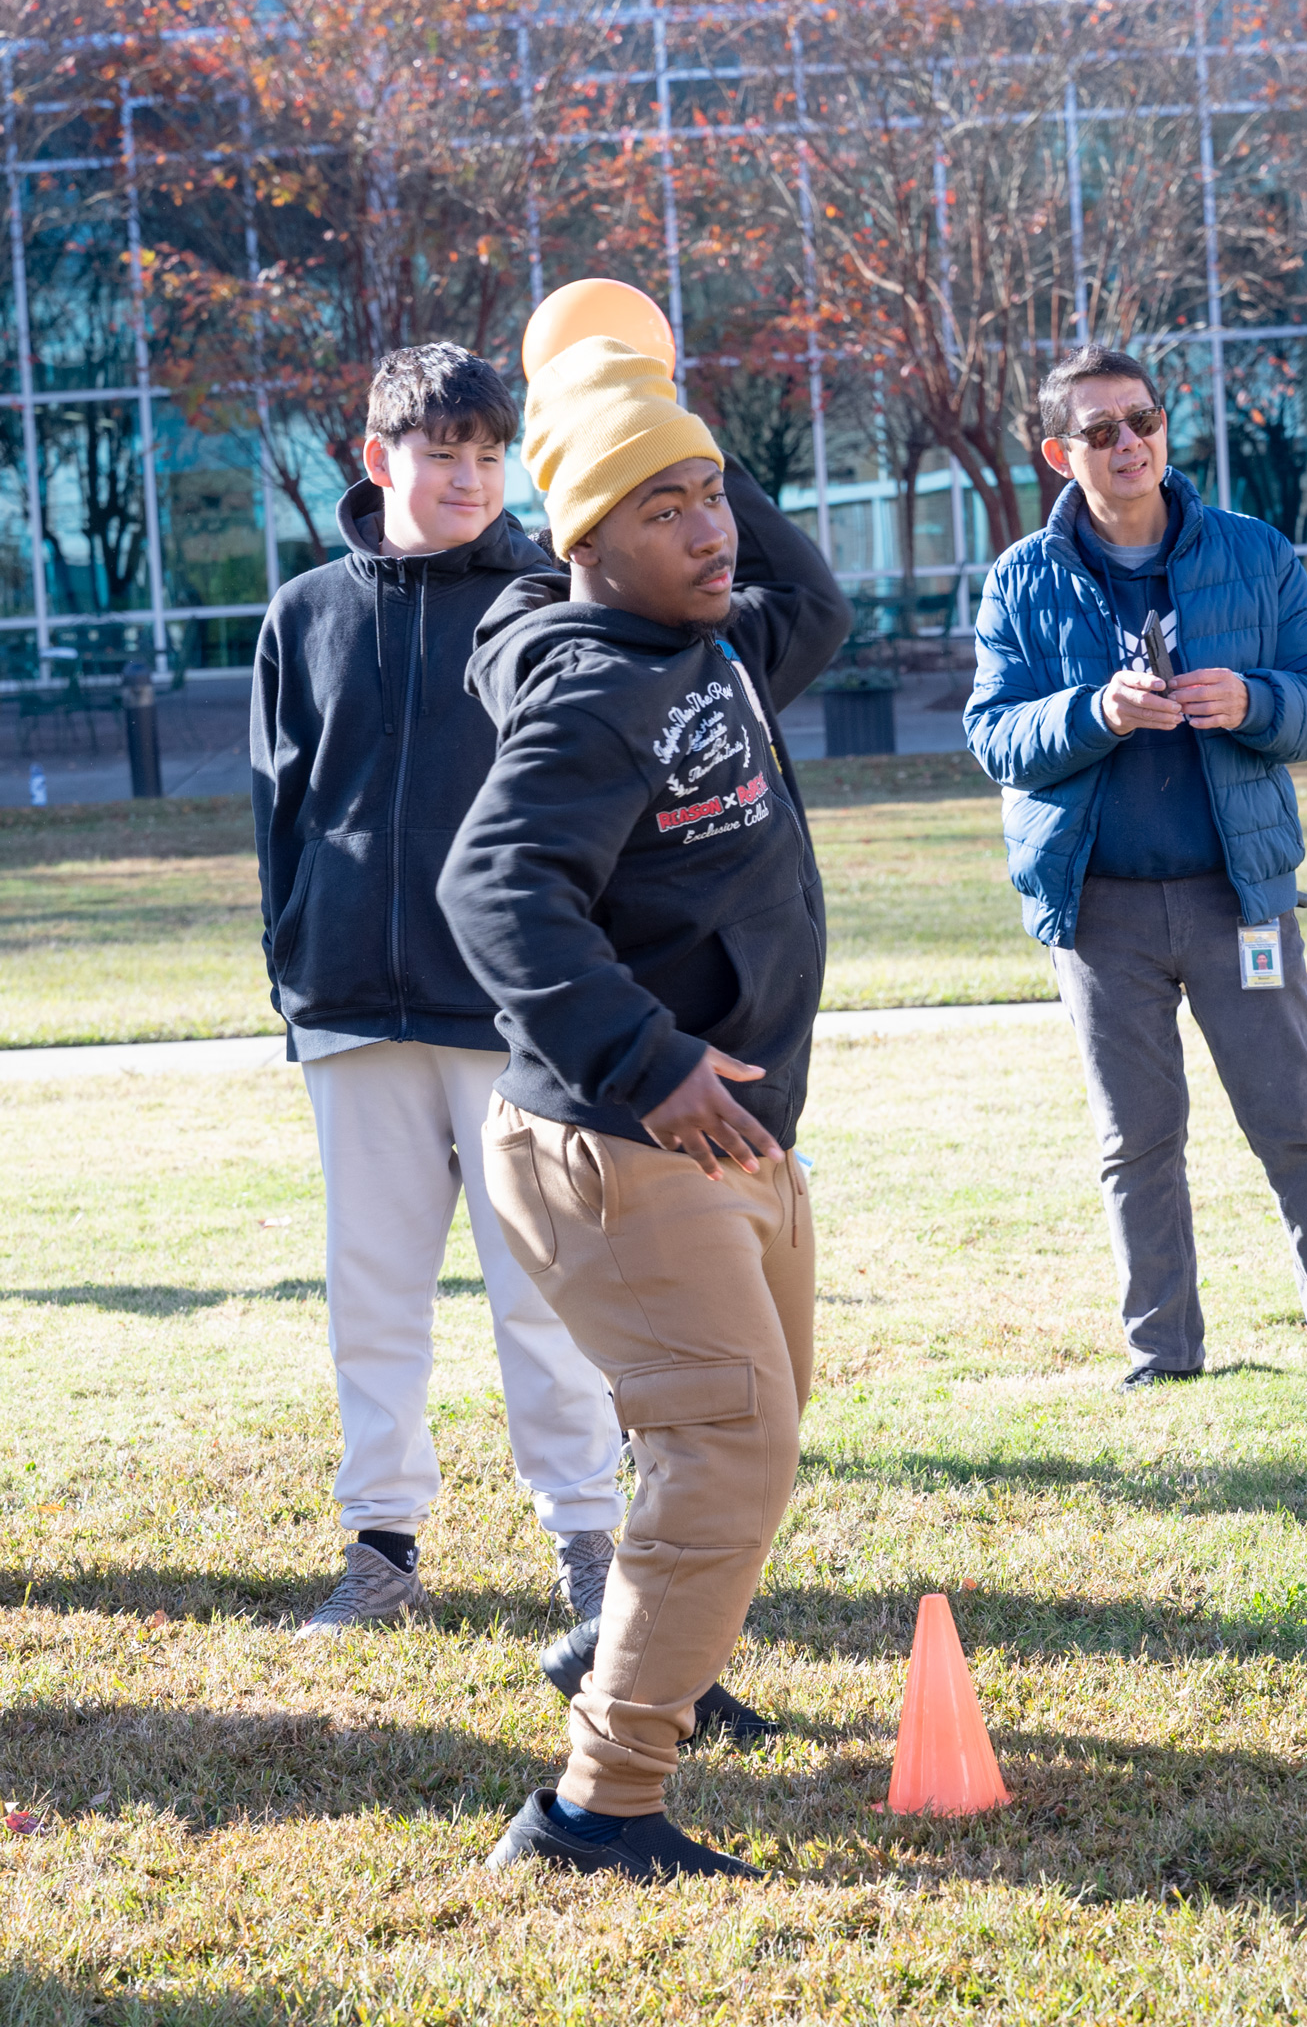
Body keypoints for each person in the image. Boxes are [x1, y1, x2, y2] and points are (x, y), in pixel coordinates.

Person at [438, 334, 850, 1883]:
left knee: (749, 1438)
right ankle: (594, 1812)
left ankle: (629, 1648)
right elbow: (494, 885)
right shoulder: (598, 688)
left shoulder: (708, 642)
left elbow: (817, 605)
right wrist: (651, 1060)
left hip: (730, 1135)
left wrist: (667, 411)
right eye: (662, 510)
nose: (709, 530)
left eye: (713, 497)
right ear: (585, 545)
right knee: (727, 1442)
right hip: (625, 1139)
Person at [250, 344, 626, 1638]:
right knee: (372, 1293)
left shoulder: (546, 598)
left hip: (519, 1014)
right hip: (351, 1004)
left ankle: (588, 1542)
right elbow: (281, 811)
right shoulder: (304, 614)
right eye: (441, 452)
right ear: (378, 458)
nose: (469, 477)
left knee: (545, 1294)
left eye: (488, 454)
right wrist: (297, 968)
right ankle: (381, 1550)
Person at [965, 343, 1307, 1390]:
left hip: (1237, 898)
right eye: (1101, 430)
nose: (1130, 443)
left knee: (1296, 1123)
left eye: (1144, 420)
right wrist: (1094, 712)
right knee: (1136, 1143)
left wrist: (1253, 700)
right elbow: (992, 736)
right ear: (1059, 453)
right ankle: (1162, 1356)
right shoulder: (1022, 578)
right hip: (1098, 911)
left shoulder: (1253, 552)